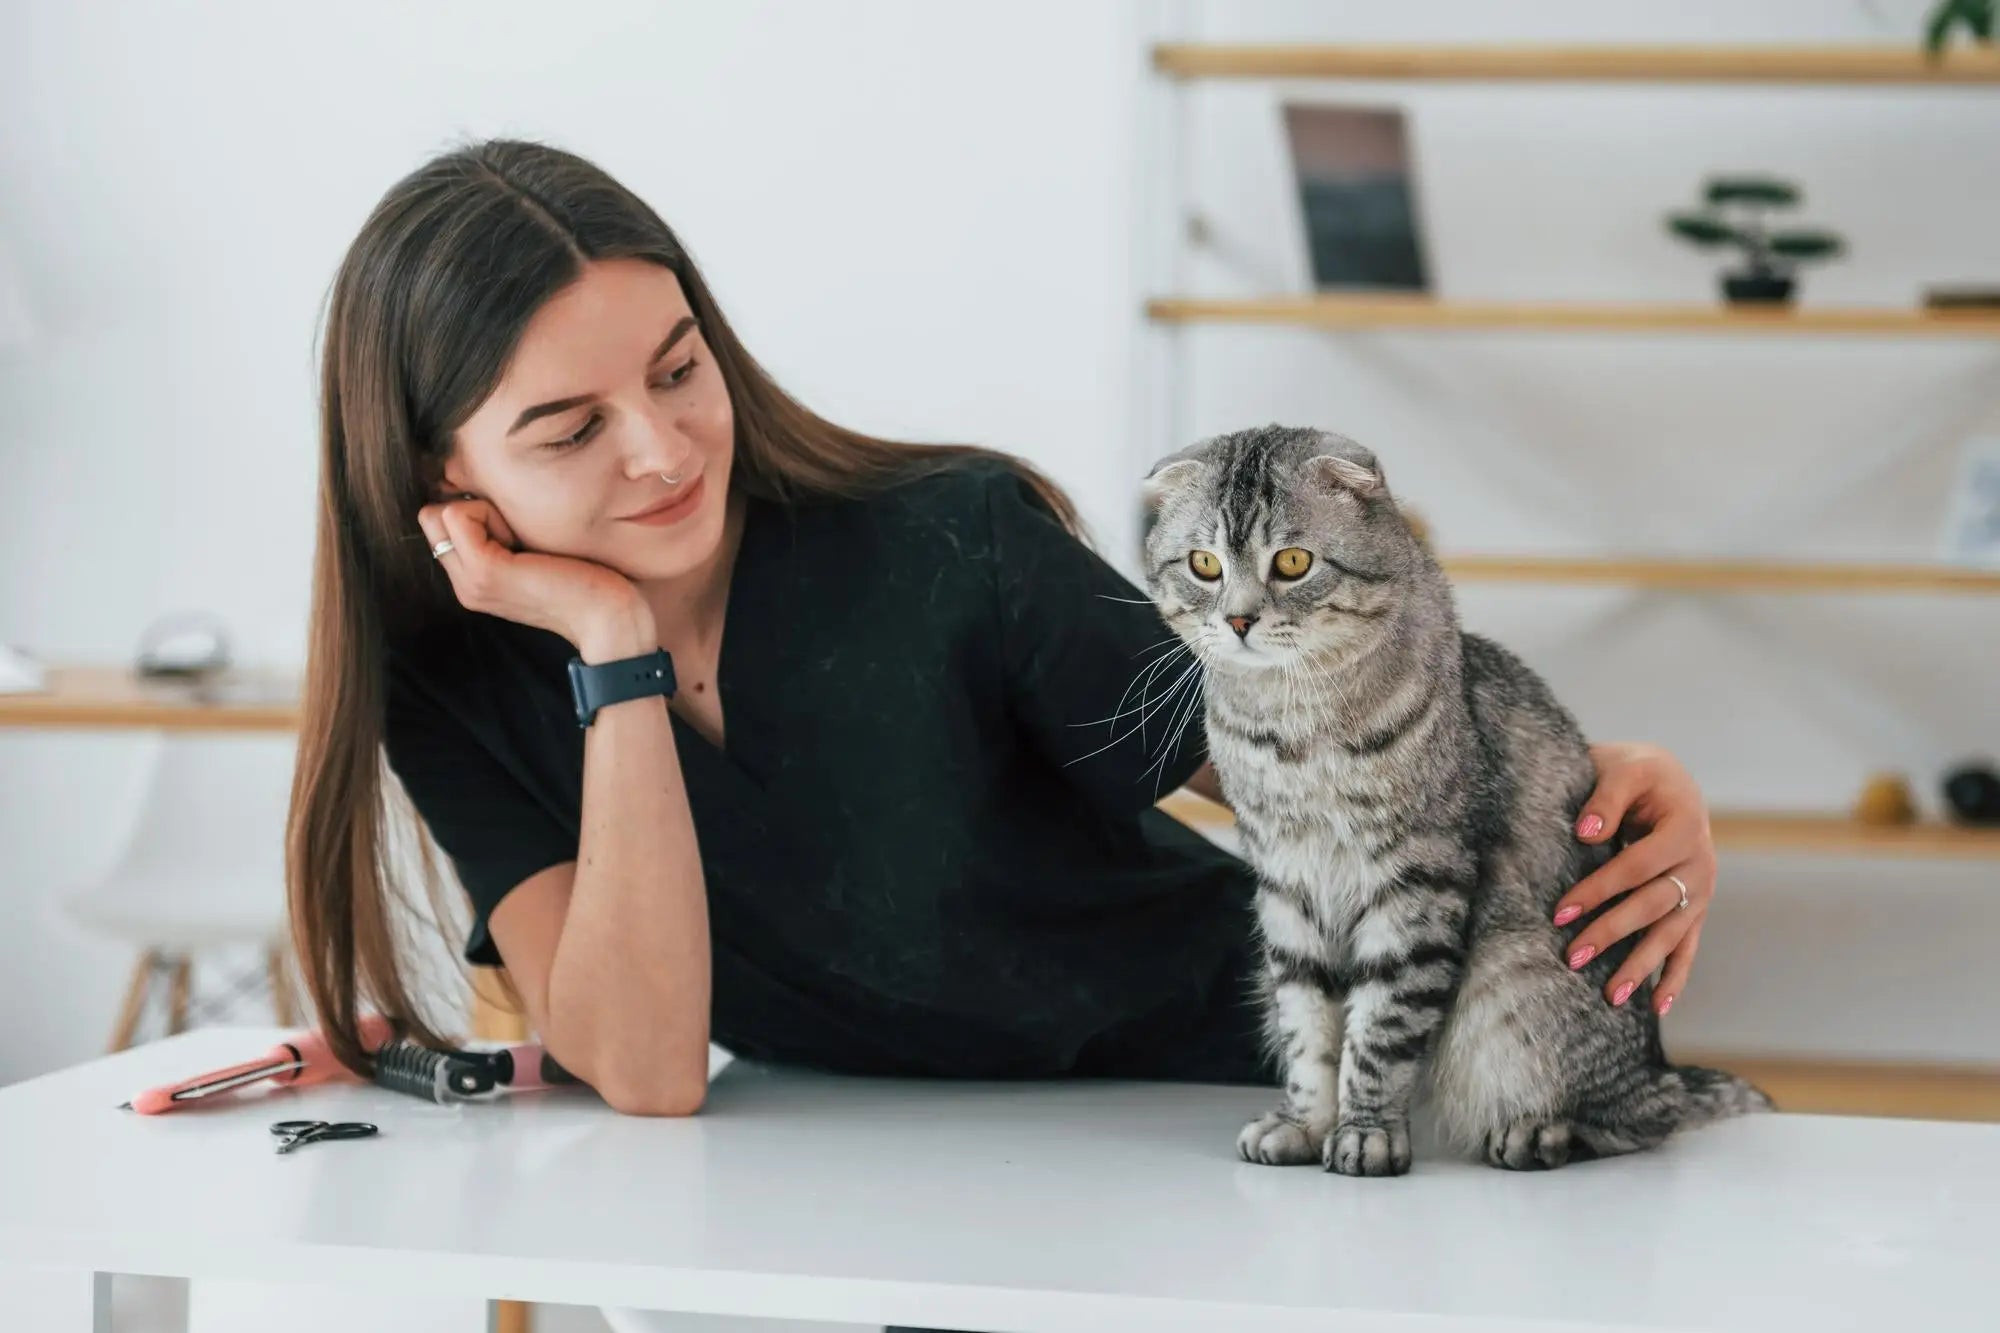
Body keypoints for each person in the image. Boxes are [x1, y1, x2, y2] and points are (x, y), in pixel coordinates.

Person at [289, 136, 1720, 1128]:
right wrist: (615, 651)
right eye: (569, 429)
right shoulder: (456, 684)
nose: (662, 452)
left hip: (1232, 1101)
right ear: (443, 481)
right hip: (907, 1189)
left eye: (680, 370)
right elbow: (647, 1063)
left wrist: (1597, 778)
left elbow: (1335, 747)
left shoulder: (946, 540)